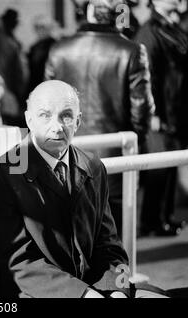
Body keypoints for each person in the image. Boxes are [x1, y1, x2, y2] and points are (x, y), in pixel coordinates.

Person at [0, 80, 132, 298]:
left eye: (66, 116)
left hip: (98, 288)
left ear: (78, 121)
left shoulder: (93, 165)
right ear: (29, 120)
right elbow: (18, 261)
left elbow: (111, 246)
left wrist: (118, 289)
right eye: (45, 115)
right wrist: (83, 294)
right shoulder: (3, 173)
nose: (57, 127)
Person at [45, 0, 154, 235]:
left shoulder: (59, 49)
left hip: (68, 150)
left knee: (73, 225)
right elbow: (141, 108)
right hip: (116, 150)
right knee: (114, 226)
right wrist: (137, 139)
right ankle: (118, 271)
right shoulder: (131, 50)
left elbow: (46, 103)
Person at [135, 0, 188, 236]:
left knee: (169, 166)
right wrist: (154, 112)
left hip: (176, 110)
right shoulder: (150, 31)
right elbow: (148, 74)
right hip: (162, 113)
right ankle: (152, 221)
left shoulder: (170, 28)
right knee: (158, 169)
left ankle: (163, 218)